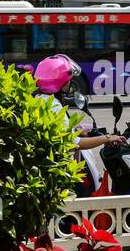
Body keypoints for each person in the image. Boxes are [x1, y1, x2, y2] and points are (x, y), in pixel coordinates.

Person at [32, 54, 124, 196]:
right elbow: (74, 143)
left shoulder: (39, 99)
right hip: (65, 172)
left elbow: (55, 132)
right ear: (60, 82)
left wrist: (77, 129)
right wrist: (107, 138)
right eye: (67, 81)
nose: (69, 84)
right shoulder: (54, 105)